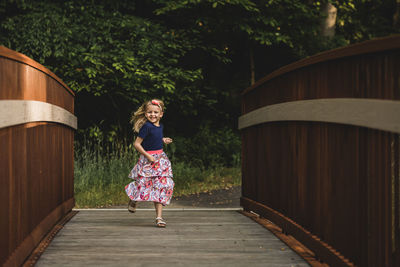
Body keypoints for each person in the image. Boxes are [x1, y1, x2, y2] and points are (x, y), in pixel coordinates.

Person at [125, 99, 174, 228]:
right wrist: (147, 156)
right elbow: (137, 144)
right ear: (146, 114)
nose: (153, 115)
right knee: (142, 184)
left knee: (160, 186)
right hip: (148, 160)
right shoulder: (146, 126)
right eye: (150, 112)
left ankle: (159, 218)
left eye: (155, 112)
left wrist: (163, 140)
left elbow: (154, 138)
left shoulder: (160, 126)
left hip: (160, 160)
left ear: (161, 114)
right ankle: (134, 199)